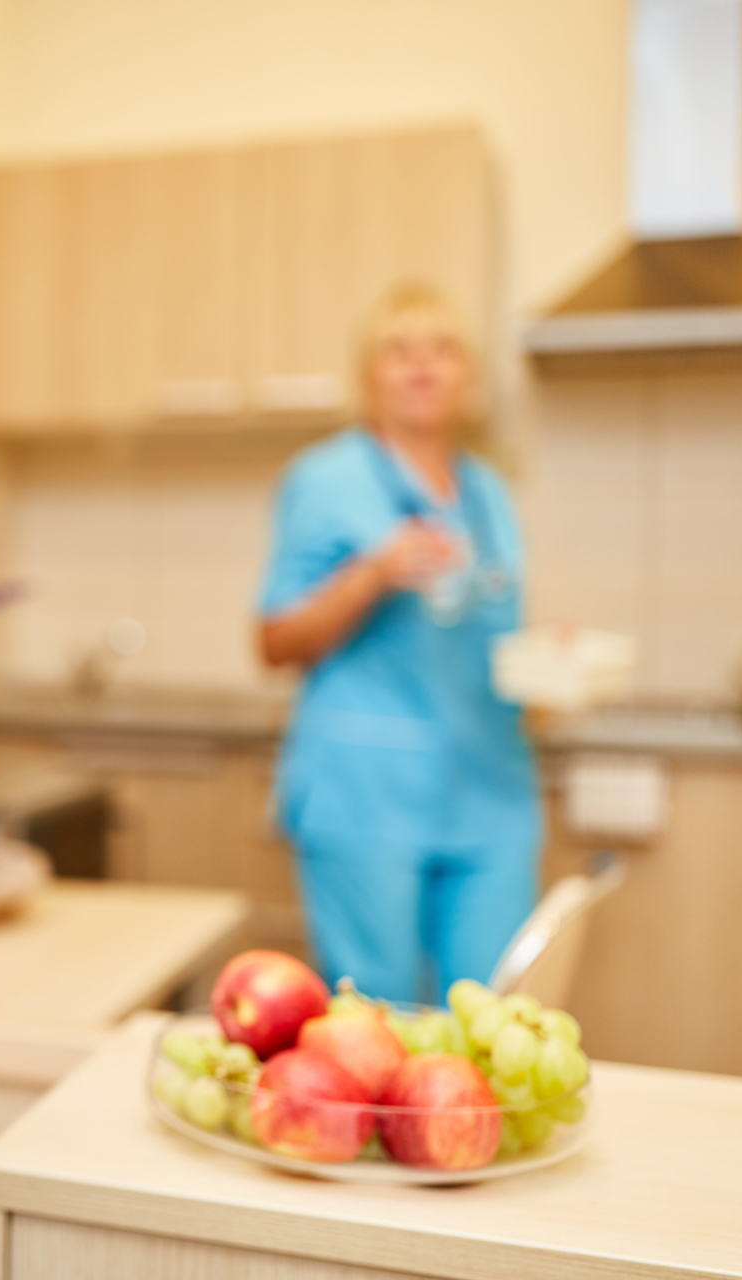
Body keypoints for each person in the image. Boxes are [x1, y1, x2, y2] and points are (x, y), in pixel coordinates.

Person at [257, 282, 538, 1005]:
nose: (422, 367)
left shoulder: (489, 491)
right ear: (368, 376)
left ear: (468, 376)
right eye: (399, 351)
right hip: (367, 792)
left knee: (488, 1016)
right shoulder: (325, 479)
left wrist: (550, 660)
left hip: (490, 789)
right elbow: (274, 640)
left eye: (441, 350)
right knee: (376, 1020)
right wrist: (371, 576)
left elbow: (497, 627)